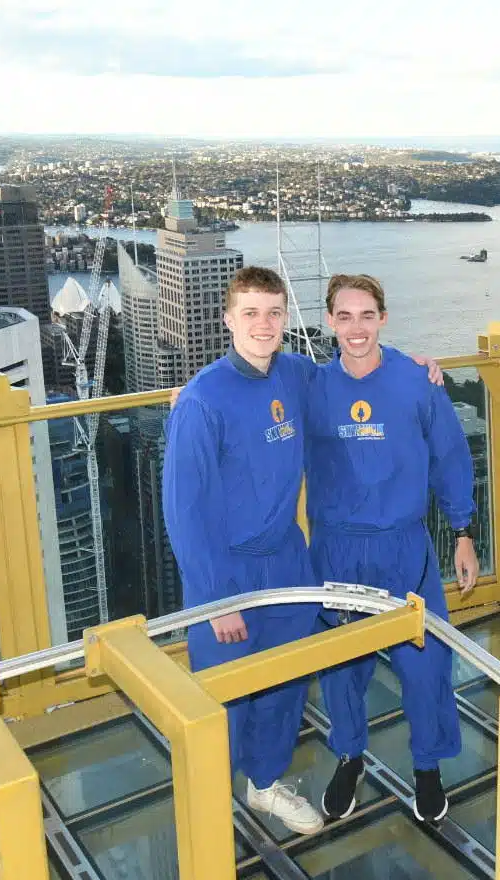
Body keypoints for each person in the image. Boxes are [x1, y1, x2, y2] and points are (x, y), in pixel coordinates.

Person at [304, 273, 479, 823]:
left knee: (425, 666)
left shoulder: (416, 381)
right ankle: (350, 756)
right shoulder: (311, 386)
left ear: (383, 318)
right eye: (345, 316)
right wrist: (190, 395)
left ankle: (427, 766)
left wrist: (464, 533)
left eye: (367, 315)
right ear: (330, 322)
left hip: (404, 549)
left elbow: (450, 457)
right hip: (336, 551)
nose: (356, 328)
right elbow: (254, 398)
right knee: (341, 668)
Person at [162, 265, 325, 835]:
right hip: (226, 572)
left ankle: (265, 784)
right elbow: (183, 514)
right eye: (250, 312)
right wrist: (216, 601)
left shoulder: (295, 374)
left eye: (274, 312)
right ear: (228, 319)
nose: (264, 324)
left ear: (286, 318)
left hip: (286, 561)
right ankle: (207, 816)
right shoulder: (202, 401)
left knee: (284, 685)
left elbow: (354, 375)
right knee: (222, 700)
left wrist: (416, 366)